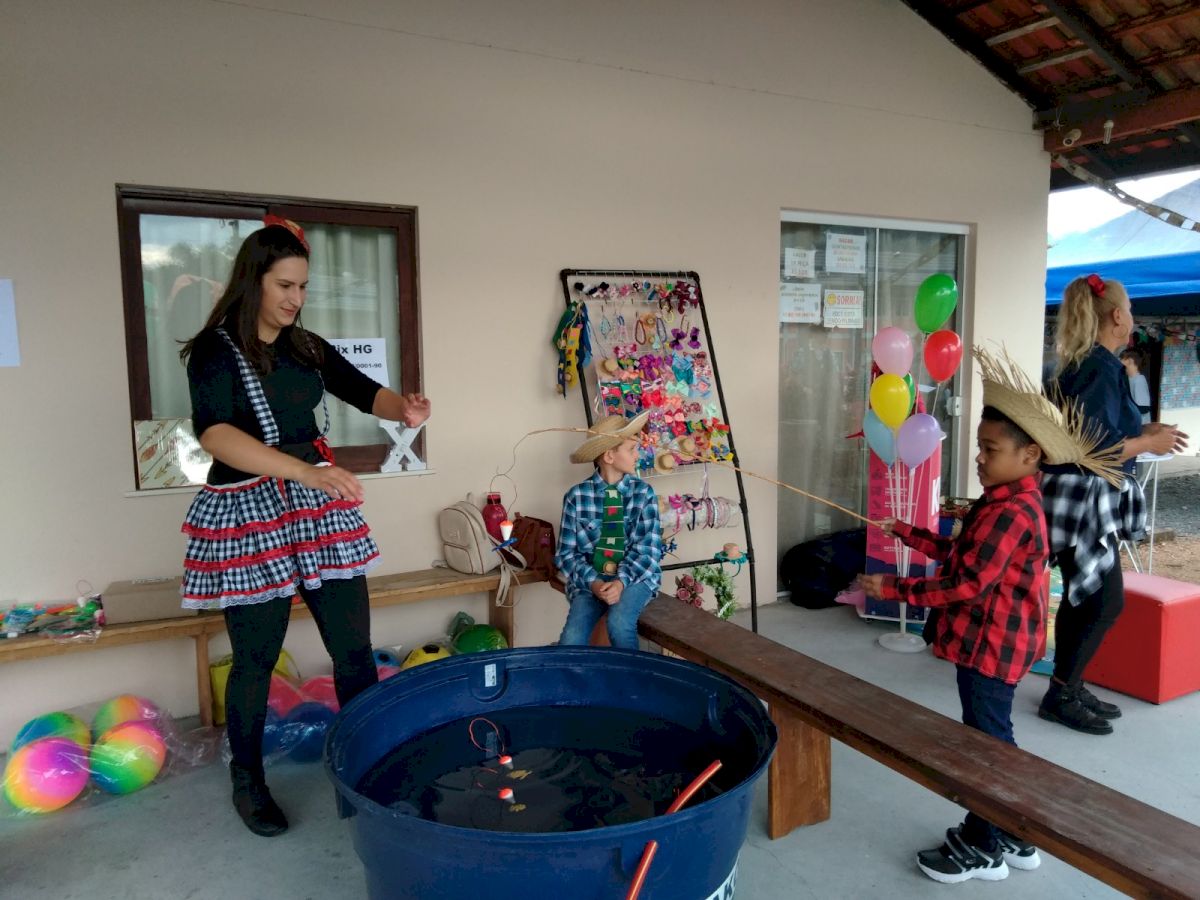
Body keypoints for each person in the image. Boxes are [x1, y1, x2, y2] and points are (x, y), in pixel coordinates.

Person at [178, 216, 431, 837]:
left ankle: (368, 766)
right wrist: (303, 471)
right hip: (249, 512)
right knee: (256, 659)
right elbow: (216, 434)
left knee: (353, 649)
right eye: (285, 285)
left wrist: (404, 408)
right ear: (254, 282)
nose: (296, 298)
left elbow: (363, 390)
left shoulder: (306, 346)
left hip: (315, 507)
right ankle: (248, 781)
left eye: (303, 287)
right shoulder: (215, 350)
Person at [860, 347, 1123, 885]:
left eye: (990, 449)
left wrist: (893, 587)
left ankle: (984, 842)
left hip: (992, 648)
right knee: (990, 737)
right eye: (980, 447)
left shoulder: (1012, 511)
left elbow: (965, 583)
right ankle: (1014, 829)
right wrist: (907, 533)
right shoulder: (1001, 501)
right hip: (992, 643)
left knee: (985, 747)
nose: (979, 458)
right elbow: (964, 556)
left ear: (1031, 455)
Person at [1040, 275, 1187, 734]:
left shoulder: (1085, 364)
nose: (1133, 317)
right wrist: (1147, 443)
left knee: (1085, 595)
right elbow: (1095, 449)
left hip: (1074, 496)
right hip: (1084, 497)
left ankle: (1067, 683)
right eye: (1131, 309)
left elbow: (1092, 432)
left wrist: (1146, 433)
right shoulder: (1099, 368)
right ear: (1118, 316)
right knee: (1103, 602)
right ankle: (1062, 692)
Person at [555, 412, 662, 650]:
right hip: (591, 580)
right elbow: (566, 555)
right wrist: (593, 583)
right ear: (609, 456)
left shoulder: (644, 494)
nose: (637, 455)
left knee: (620, 623)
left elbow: (649, 552)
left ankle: (631, 673)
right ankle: (576, 675)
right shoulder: (576, 497)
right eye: (632, 449)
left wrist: (621, 583)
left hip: (635, 578)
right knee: (572, 637)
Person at [1120, 348, 1152, 425]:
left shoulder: (1139, 380)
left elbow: (1144, 409)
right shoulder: (1129, 378)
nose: (1119, 360)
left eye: (1122, 358)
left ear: (1130, 361)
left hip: (1141, 424)